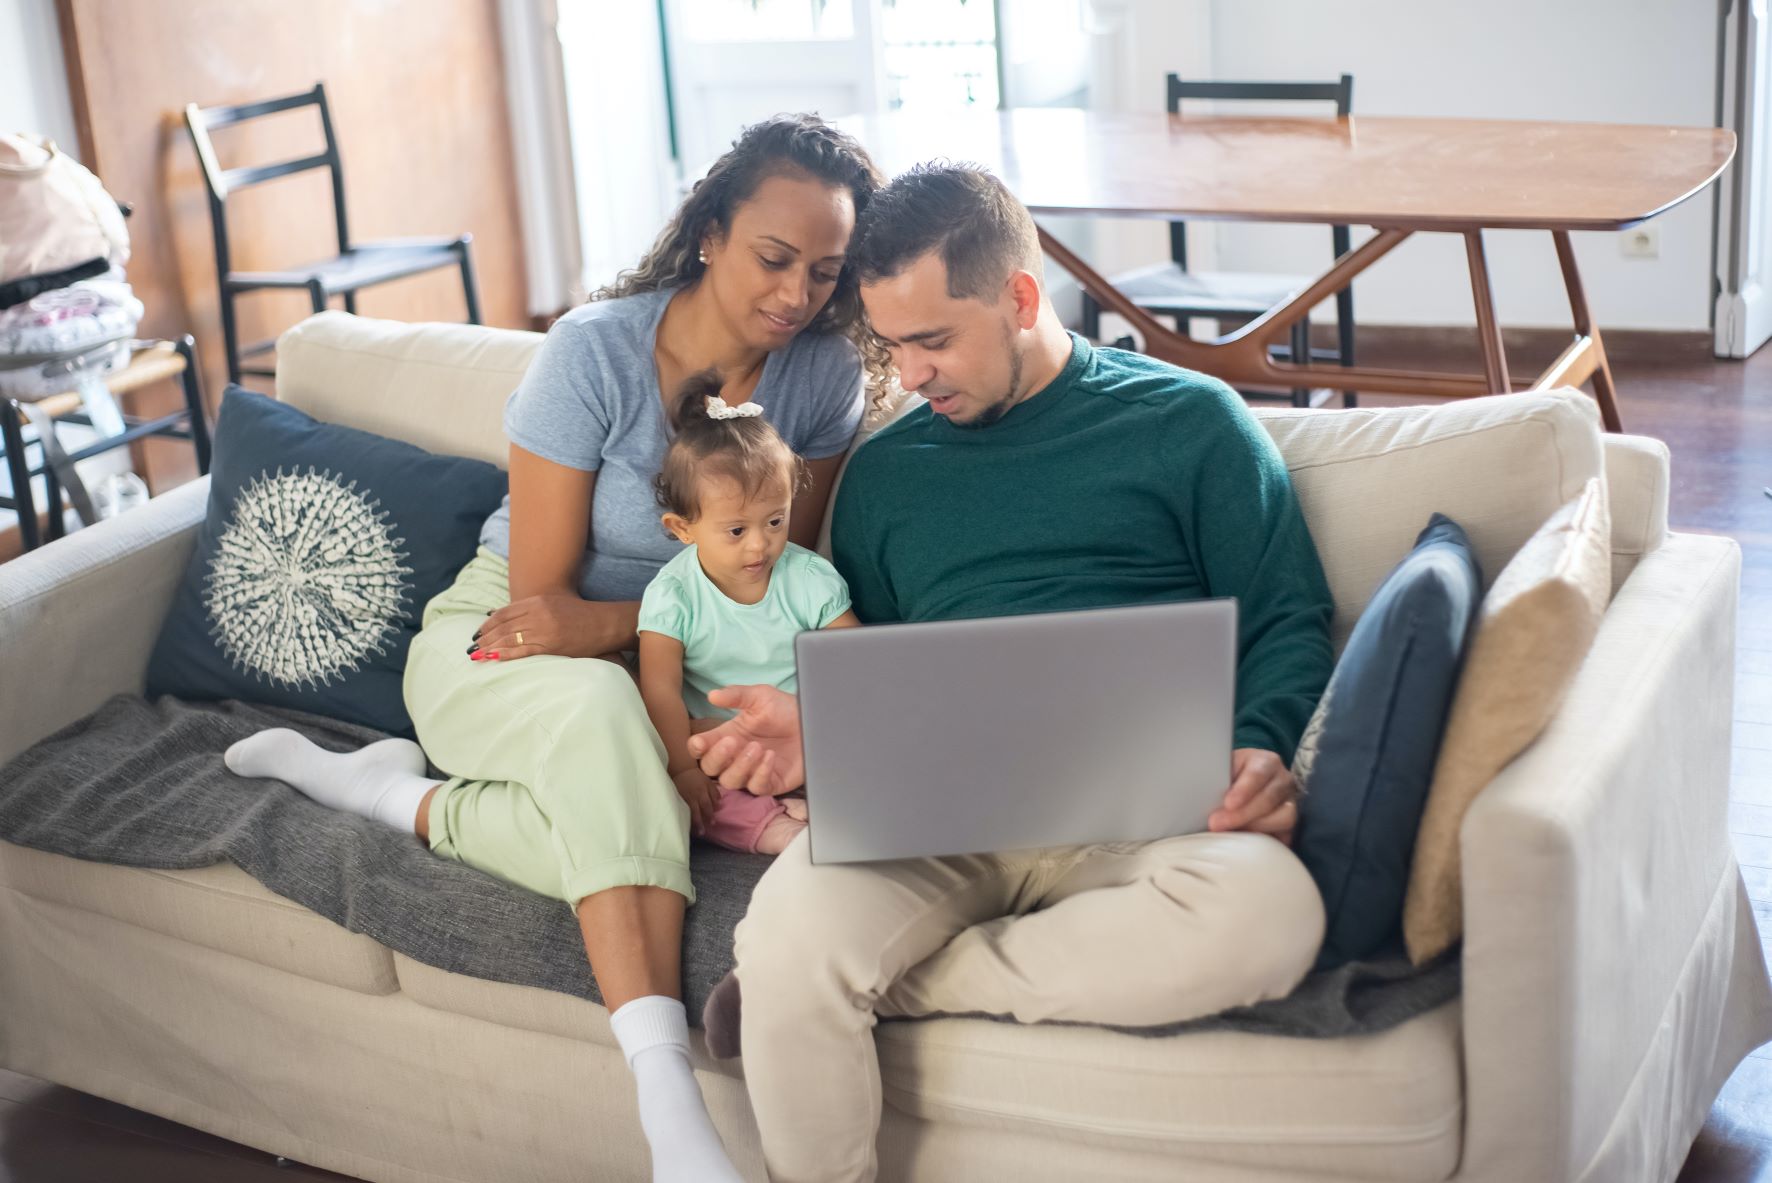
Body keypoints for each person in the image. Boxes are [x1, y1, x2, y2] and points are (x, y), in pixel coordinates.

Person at [222, 114, 884, 1183]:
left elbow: (765, 590)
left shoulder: (818, 380)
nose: (796, 295)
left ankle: (389, 797)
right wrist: (615, 641)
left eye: (824, 270)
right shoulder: (595, 352)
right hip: (498, 642)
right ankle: (669, 1106)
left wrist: (631, 636)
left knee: (640, 778)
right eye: (773, 258)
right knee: (604, 732)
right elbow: (540, 604)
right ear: (712, 231)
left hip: (659, 659)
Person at [688, 163, 1337, 1182]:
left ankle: (910, 983)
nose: (908, 375)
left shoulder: (1191, 424)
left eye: (932, 340)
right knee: (783, 936)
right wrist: (817, 725)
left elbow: (1287, 614)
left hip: (1149, 818)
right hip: (943, 819)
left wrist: (1260, 746)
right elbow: (879, 670)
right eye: (890, 343)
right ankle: (811, 990)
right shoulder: (886, 475)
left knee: (1272, 913)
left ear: (1020, 298)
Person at [637, 369, 859, 855]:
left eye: (776, 521)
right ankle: (777, 829)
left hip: (803, 737)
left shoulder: (808, 578)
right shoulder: (672, 596)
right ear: (683, 528)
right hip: (724, 745)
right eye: (736, 530)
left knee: (862, 759)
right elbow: (660, 691)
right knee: (702, 796)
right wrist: (682, 769)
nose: (761, 544)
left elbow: (855, 664)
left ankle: (817, 802)